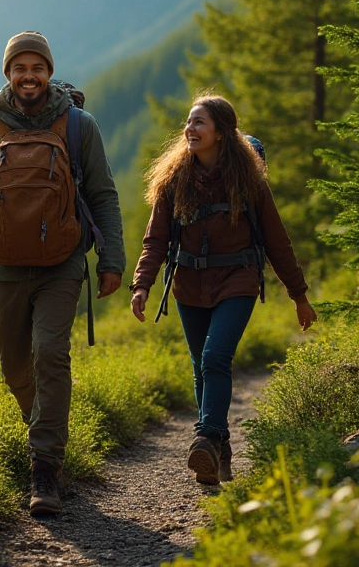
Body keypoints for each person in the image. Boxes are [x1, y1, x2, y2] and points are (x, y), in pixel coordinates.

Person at [0, 31, 125, 516]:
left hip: (62, 263)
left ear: (48, 71)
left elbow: (103, 195)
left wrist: (111, 260)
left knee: (49, 353)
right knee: (15, 367)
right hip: (5, 266)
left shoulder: (79, 127)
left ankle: (45, 469)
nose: (29, 76)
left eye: (37, 67)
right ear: (8, 74)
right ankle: (43, 427)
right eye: (20, 68)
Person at [129, 95, 317, 485]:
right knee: (201, 367)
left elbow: (277, 243)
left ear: (222, 133)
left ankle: (205, 437)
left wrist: (298, 296)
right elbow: (155, 241)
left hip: (238, 280)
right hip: (188, 284)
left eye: (199, 123)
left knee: (215, 357)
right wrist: (142, 285)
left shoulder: (250, 184)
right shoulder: (172, 181)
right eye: (188, 122)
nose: (190, 130)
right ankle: (219, 447)